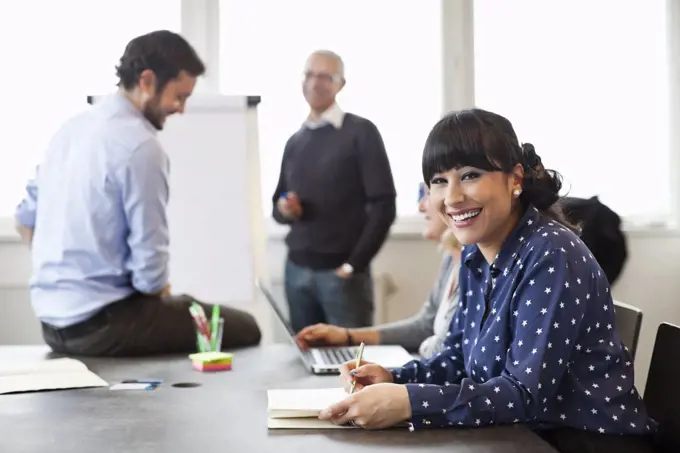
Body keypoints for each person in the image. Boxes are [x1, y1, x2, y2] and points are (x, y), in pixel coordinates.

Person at [318, 108, 657, 453]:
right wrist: (393, 377)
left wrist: (408, 402)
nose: (451, 197)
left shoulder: (551, 253)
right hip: (516, 437)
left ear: (515, 180)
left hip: (585, 443)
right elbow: (455, 361)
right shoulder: (473, 255)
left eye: (470, 175)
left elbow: (523, 395)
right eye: (438, 181)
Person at [14, 30, 261, 357]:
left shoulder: (70, 129)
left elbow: (23, 220)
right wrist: (160, 293)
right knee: (245, 326)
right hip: (105, 324)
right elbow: (150, 276)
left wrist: (71, 275)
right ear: (147, 80)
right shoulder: (141, 146)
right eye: (179, 96)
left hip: (52, 326)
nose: (181, 109)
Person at [272, 50, 396, 332]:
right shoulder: (295, 141)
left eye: (325, 76)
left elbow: (384, 206)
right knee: (305, 362)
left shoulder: (361, 132)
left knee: (352, 367)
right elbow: (277, 206)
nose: (315, 82)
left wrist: (353, 266)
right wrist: (285, 209)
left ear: (340, 84)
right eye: (310, 74)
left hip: (341, 276)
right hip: (296, 272)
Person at [295, 183, 461, 357]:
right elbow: (425, 327)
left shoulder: (474, 268)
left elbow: (442, 350)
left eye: (427, 194)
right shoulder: (450, 259)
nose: (420, 207)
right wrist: (347, 336)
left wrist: (427, 347)